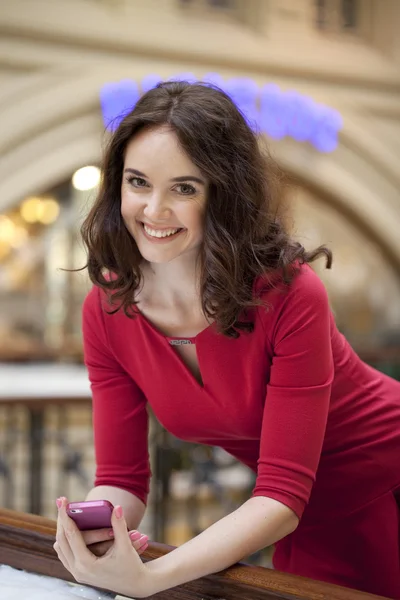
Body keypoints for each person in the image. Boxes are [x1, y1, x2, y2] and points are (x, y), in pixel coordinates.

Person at [54, 81, 400, 599]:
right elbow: (122, 478)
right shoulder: (106, 310)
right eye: (138, 182)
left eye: (184, 188)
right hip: (294, 508)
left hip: (382, 480)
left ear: (224, 193)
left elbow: (281, 493)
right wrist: (94, 531)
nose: (154, 210)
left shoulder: (289, 294)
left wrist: (153, 577)